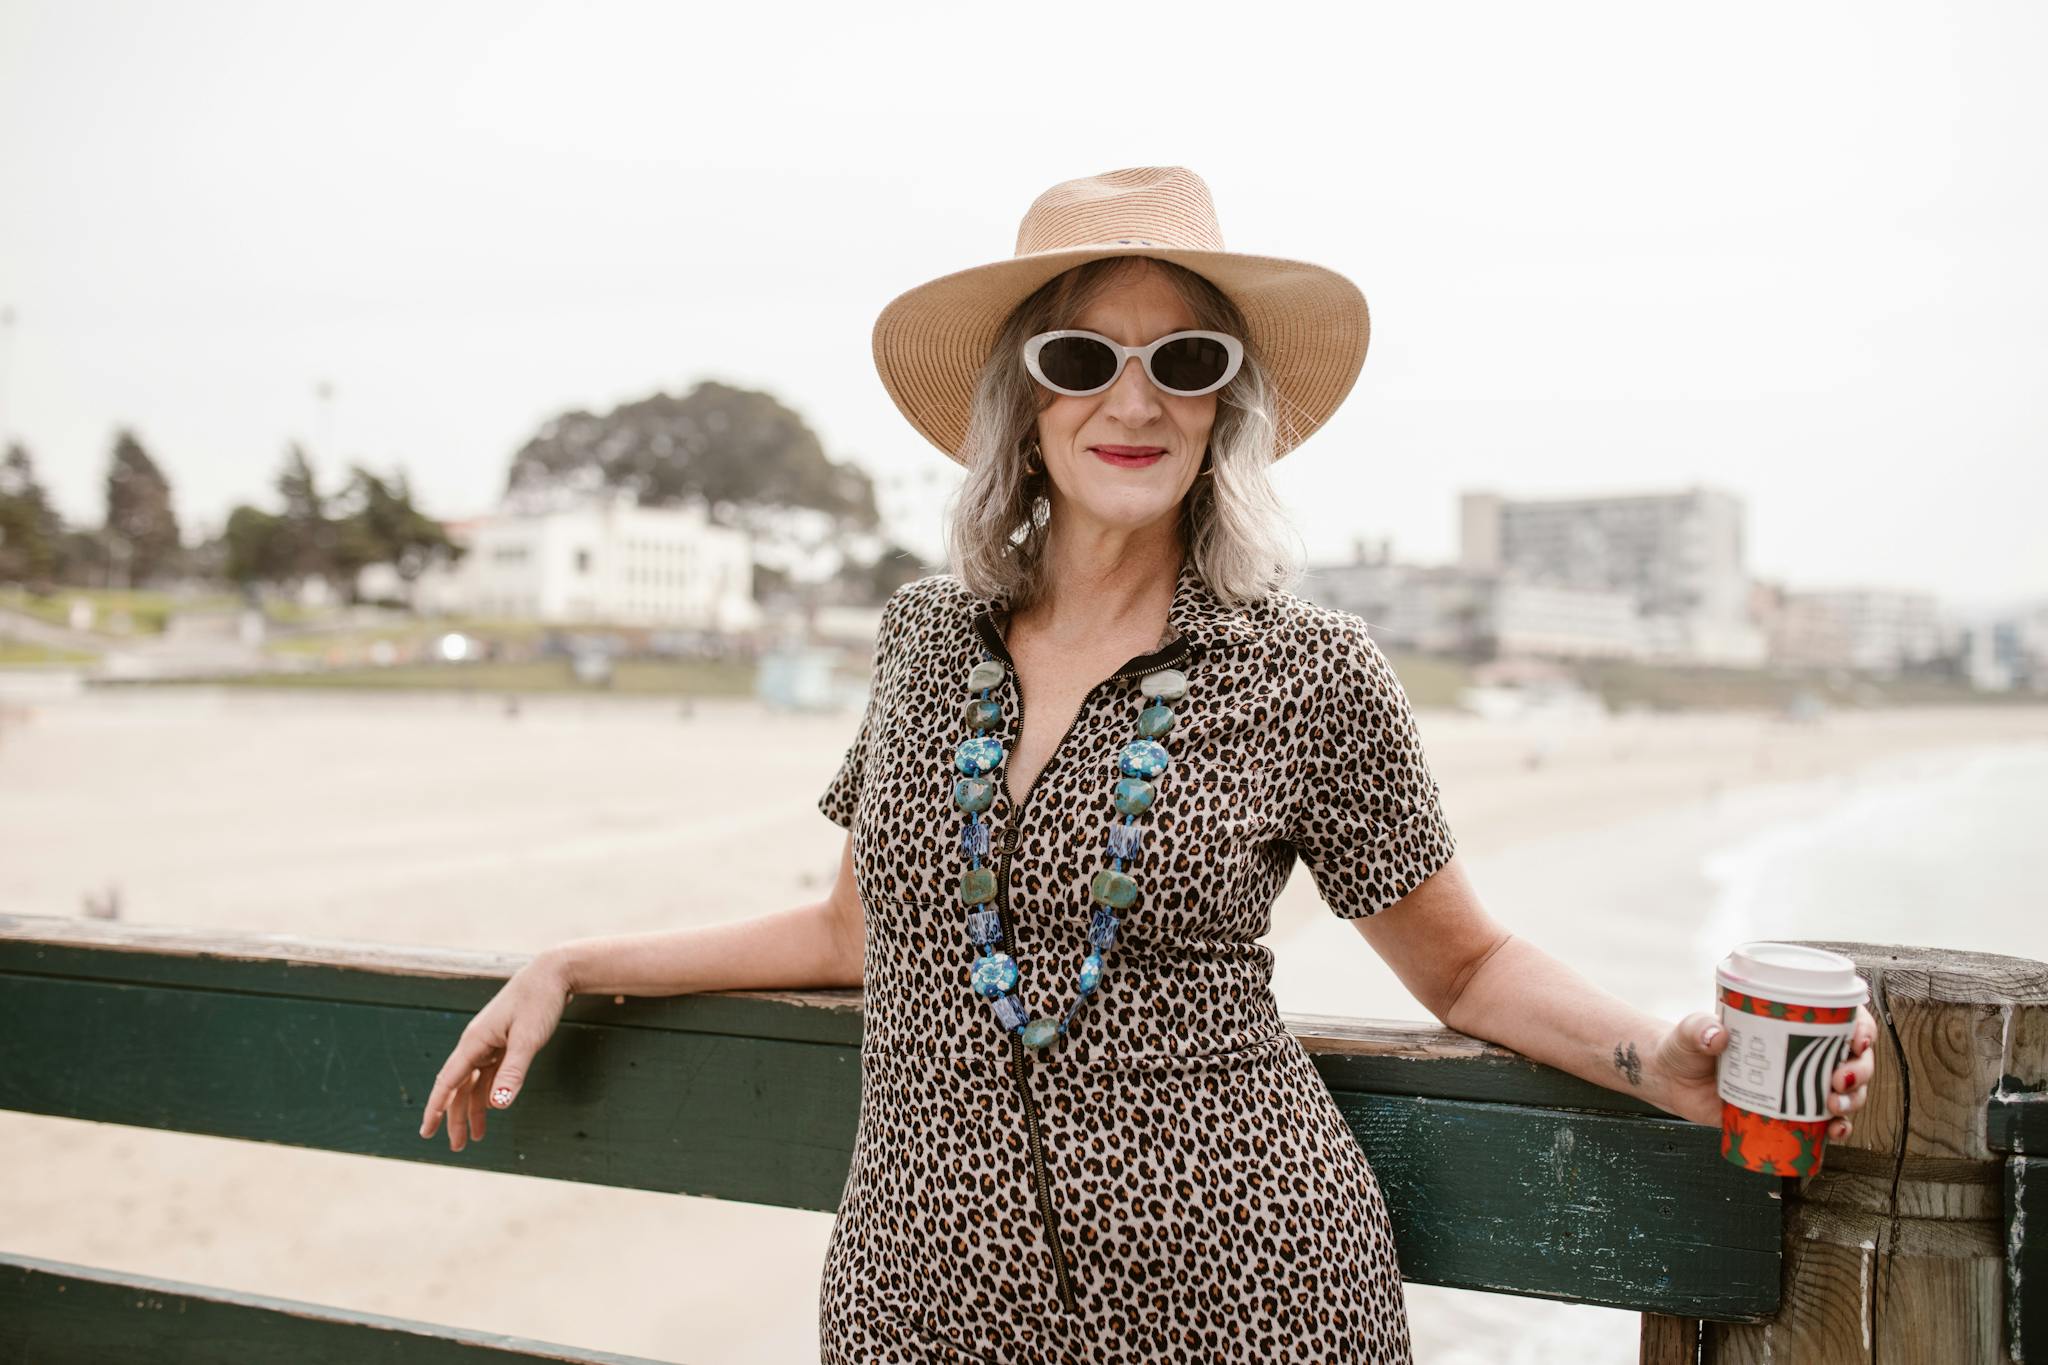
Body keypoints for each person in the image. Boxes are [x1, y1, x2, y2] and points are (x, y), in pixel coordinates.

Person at [418, 167, 1879, 1364]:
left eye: (1184, 360)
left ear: (1224, 405)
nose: (1135, 399)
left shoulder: (1309, 669)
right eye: (1083, 358)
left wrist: (1664, 1065)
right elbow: (851, 932)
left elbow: (1467, 969)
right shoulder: (924, 641)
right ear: (1025, 402)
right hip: (922, 1309)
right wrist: (572, 958)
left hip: (1246, 1298)